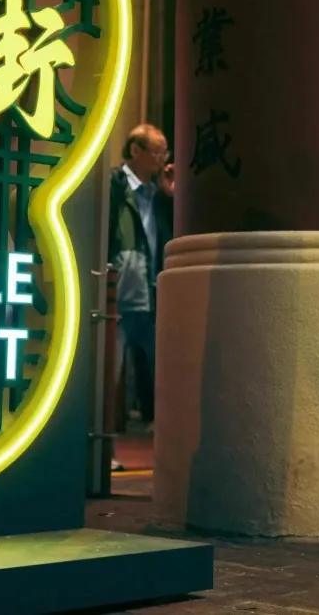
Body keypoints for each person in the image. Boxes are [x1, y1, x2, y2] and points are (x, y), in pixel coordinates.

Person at [108, 124, 174, 435]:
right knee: (111, 372)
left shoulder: (159, 193)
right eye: (158, 151)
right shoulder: (114, 184)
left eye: (165, 152)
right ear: (136, 151)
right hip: (120, 295)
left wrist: (170, 195)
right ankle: (104, 442)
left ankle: (160, 430)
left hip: (153, 293)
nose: (164, 158)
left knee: (165, 367)